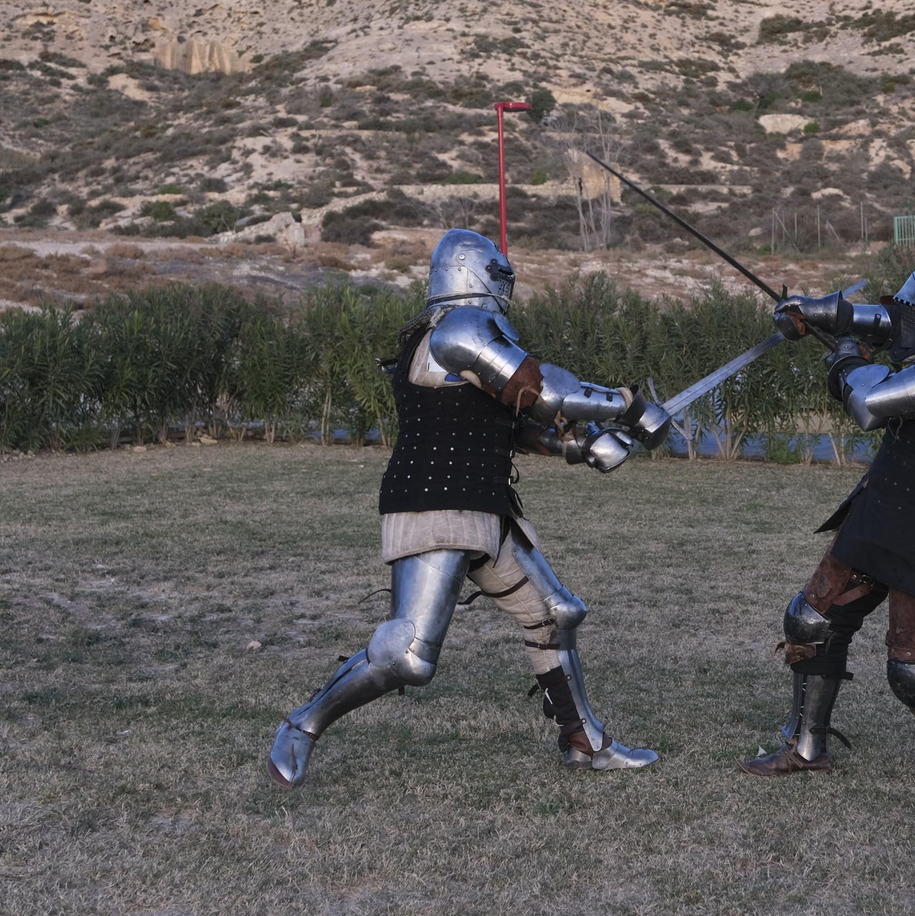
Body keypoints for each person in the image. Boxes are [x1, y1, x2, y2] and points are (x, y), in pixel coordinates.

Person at [268, 229, 669, 787]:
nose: (508, 285)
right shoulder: (457, 329)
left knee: (556, 614)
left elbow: (508, 426)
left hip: (483, 506)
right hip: (435, 502)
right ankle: (301, 724)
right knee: (407, 655)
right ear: (476, 274)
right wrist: (627, 405)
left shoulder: (472, 338)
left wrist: (579, 446)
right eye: (501, 274)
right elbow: (542, 389)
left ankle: (584, 741)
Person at [739, 244, 915, 809]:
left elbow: (869, 403)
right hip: (888, 503)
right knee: (812, 619)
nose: (911, 317)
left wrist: (844, 357)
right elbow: (897, 320)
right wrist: (824, 313)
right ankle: (806, 746)